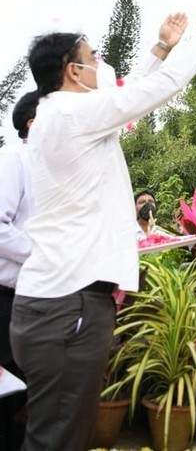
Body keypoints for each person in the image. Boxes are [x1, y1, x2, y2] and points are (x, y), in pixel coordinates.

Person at [10, 3, 196, 451]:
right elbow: (155, 90)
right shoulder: (72, 116)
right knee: (58, 438)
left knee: (59, 431)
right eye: (94, 59)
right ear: (73, 72)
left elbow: (128, 94)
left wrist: (162, 47)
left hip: (56, 305)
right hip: (67, 309)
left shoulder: (65, 115)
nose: (100, 66)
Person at [0, 92, 37, 451]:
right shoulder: (14, 160)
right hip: (8, 302)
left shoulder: (58, 169)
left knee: (36, 404)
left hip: (45, 299)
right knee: (10, 401)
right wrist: (43, 254)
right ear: (32, 122)